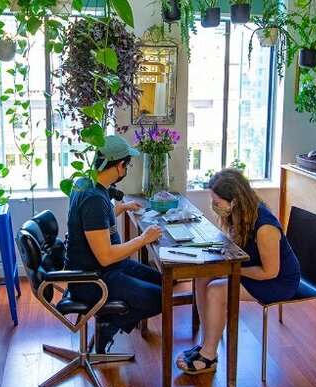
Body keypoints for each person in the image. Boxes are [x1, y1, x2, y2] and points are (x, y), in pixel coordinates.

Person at [176, 168, 301, 374]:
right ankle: (206, 341)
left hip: (278, 282)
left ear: (234, 201)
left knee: (216, 291)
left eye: (217, 203)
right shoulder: (241, 214)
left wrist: (233, 271)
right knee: (202, 277)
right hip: (252, 270)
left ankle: (209, 356)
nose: (214, 207)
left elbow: (269, 272)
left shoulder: (265, 227)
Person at [65, 135, 164, 353]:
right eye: (127, 165)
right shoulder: (93, 198)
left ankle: (111, 320)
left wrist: (121, 208)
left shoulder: (85, 182)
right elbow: (106, 256)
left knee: (165, 282)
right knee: (160, 298)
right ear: (119, 165)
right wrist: (143, 239)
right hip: (93, 279)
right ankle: (110, 323)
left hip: (107, 268)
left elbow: (93, 224)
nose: (127, 169)